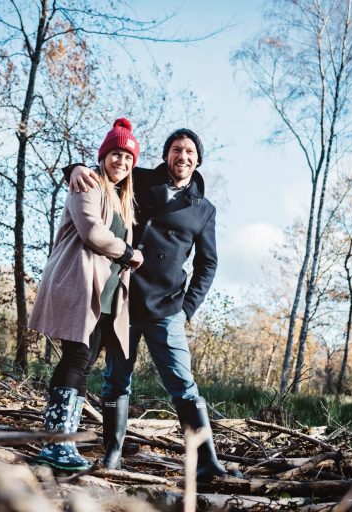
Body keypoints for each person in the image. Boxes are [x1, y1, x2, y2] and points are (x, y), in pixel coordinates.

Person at [67, 127, 236, 481]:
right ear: (166, 155)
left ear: (198, 161)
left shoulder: (203, 209)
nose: (182, 156)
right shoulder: (140, 180)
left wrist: (187, 308)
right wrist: (75, 169)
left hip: (167, 307)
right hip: (124, 298)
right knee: (116, 380)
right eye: (176, 149)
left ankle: (206, 462)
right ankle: (112, 454)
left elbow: (208, 264)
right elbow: (106, 173)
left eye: (189, 152)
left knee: (183, 383)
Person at [28, 118, 144, 472]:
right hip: (79, 284)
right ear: (103, 156)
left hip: (103, 295)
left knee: (84, 361)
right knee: (76, 358)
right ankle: (56, 444)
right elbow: (91, 231)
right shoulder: (88, 183)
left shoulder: (123, 198)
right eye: (115, 154)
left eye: (128, 157)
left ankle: (62, 443)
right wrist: (129, 252)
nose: (121, 161)